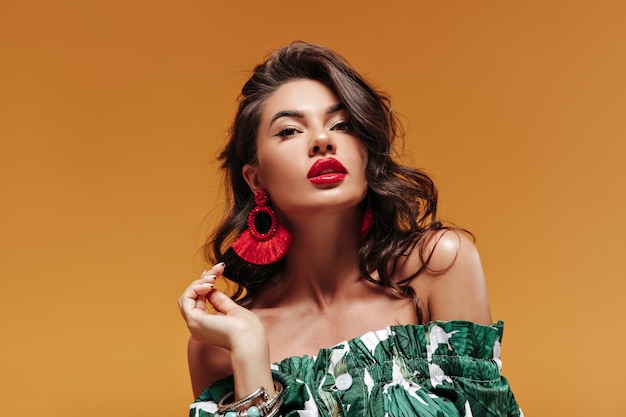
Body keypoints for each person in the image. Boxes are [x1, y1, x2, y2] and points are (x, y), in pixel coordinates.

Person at [179, 41, 522, 417]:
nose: (323, 140)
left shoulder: (437, 267)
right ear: (255, 178)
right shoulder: (219, 345)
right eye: (290, 130)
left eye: (342, 125)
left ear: (366, 151)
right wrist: (248, 350)